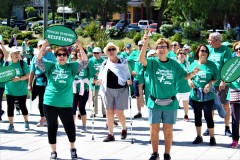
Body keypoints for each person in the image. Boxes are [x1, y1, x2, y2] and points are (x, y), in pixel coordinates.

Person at [139, 31, 199, 160]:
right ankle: (154, 153)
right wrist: (145, 42)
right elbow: (141, 59)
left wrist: (193, 73)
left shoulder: (173, 64)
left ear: (168, 49)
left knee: (168, 130)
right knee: (154, 130)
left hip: (170, 103)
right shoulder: (152, 62)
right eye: (159, 47)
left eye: (164, 47)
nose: (162, 49)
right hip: (154, 102)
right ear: (156, 49)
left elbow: (185, 76)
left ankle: (167, 154)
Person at [36, 39, 88, 160]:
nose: (62, 56)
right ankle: (53, 151)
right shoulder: (51, 66)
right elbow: (38, 61)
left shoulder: (72, 67)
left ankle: (73, 148)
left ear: (67, 56)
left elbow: (85, 62)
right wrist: (43, 47)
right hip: (50, 102)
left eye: (64, 54)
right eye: (59, 54)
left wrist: (80, 47)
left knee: (69, 126)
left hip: (65, 104)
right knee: (52, 127)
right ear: (56, 56)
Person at [96, 42, 132, 142]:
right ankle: (111, 134)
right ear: (106, 52)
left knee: (119, 112)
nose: (111, 51)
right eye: (109, 50)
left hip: (121, 90)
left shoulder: (123, 62)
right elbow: (101, 76)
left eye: (113, 49)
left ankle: (124, 128)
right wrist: (98, 81)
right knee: (109, 112)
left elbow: (128, 74)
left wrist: (129, 80)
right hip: (107, 90)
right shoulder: (104, 63)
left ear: (116, 50)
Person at [188, 45, 219, 146]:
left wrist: (210, 84)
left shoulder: (211, 65)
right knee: (197, 116)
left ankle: (212, 137)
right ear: (198, 52)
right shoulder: (193, 64)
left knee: (208, 116)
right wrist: (189, 81)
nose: (204, 52)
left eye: (206, 51)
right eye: (202, 50)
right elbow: (188, 76)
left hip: (207, 95)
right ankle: (199, 136)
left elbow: (216, 78)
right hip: (196, 94)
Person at [205, 32, 233, 137]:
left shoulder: (226, 50)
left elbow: (228, 66)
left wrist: (224, 81)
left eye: (210, 40)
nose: (208, 42)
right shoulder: (209, 49)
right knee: (209, 107)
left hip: (221, 84)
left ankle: (227, 128)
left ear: (217, 40)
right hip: (210, 83)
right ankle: (209, 127)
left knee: (225, 105)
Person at [28, 40, 56, 127]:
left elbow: (55, 67)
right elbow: (32, 72)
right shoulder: (34, 57)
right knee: (41, 101)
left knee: (49, 101)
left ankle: (50, 117)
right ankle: (43, 117)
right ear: (37, 47)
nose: (42, 47)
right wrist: (29, 84)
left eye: (43, 46)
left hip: (49, 82)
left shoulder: (50, 55)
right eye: (40, 46)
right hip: (39, 82)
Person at [5, 47, 30, 133]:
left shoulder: (23, 64)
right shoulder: (7, 64)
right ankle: (11, 125)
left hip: (21, 90)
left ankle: (26, 121)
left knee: (23, 106)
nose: (16, 55)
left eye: (18, 53)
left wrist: (19, 78)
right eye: (15, 53)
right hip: (10, 90)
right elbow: (3, 75)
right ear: (11, 54)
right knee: (10, 107)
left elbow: (28, 75)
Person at [71, 47, 92, 132]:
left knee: (82, 108)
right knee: (73, 108)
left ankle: (84, 125)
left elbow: (92, 73)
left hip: (84, 89)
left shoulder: (88, 63)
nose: (79, 54)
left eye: (81, 52)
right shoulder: (73, 63)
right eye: (78, 52)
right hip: (74, 89)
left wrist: (95, 79)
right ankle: (72, 125)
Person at [88, 47, 106, 117]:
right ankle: (94, 112)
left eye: (97, 53)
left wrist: (100, 74)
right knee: (94, 96)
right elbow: (90, 69)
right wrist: (95, 73)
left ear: (100, 53)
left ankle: (104, 112)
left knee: (103, 97)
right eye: (94, 53)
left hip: (102, 81)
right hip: (94, 79)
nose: (95, 54)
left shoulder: (104, 60)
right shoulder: (90, 60)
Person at [228, 42, 240, 148]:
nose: (238, 51)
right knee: (235, 118)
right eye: (236, 50)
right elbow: (226, 77)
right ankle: (235, 139)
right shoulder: (232, 64)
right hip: (235, 92)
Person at [176, 48, 191, 121]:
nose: (182, 55)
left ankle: (186, 115)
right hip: (176, 86)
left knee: (185, 102)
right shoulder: (175, 63)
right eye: (180, 53)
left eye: (184, 54)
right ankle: (174, 115)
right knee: (175, 102)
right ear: (177, 55)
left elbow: (190, 73)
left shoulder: (187, 63)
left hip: (185, 86)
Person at [0, 40, 8, 121]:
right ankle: (1, 112)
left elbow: (6, 55)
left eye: (0, 53)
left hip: (1, 85)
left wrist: (2, 45)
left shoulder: (3, 63)